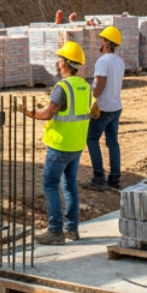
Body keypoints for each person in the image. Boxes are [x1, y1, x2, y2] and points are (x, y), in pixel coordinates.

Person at [24, 41, 92, 245]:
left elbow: (47, 114)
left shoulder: (62, 87)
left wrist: (27, 112)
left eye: (60, 59)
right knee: (70, 185)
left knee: (50, 185)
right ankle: (71, 229)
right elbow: (91, 111)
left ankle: (55, 231)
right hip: (77, 144)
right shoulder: (85, 86)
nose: (57, 62)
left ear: (67, 63)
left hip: (60, 145)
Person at [83, 25, 125, 190]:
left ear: (107, 42)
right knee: (112, 142)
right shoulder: (119, 61)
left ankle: (98, 178)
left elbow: (99, 86)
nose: (100, 43)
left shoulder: (102, 61)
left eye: (102, 40)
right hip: (116, 106)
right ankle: (114, 179)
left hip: (104, 108)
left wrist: (92, 95)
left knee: (92, 139)